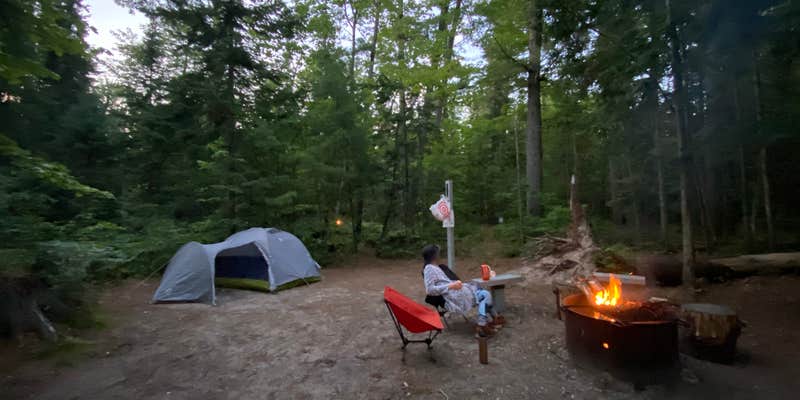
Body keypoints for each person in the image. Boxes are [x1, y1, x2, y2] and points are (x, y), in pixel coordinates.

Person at [421, 244, 505, 337]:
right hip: (454, 298)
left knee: (484, 294)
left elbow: (444, 282)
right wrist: (451, 285)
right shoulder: (429, 268)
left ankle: (486, 322)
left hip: (458, 292)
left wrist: (454, 284)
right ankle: (486, 322)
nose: (439, 255)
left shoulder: (435, 267)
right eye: (438, 253)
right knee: (484, 295)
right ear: (434, 255)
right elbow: (430, 290)